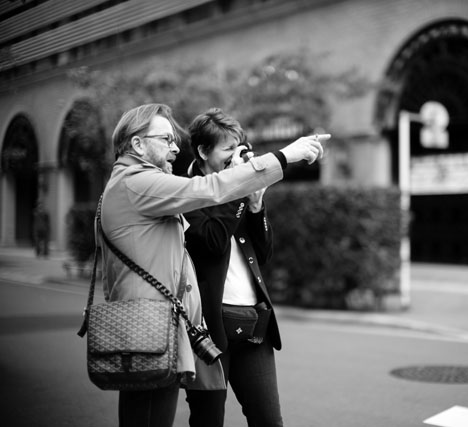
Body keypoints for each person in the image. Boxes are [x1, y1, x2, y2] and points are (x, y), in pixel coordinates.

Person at [98, 103, 324, 427]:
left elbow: (261, 250)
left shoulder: (141, 184)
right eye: (166, 138)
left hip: (174, 324)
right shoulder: (142, 184)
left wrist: (254, 203)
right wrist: (285, 155)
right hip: (163, 325)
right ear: (137, 144)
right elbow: (212, 206)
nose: (176, 147)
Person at [183, 108, 292, 427]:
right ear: (203, 151)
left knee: (269, 421)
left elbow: (264, 253)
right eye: (227, 149)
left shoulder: (241, 193)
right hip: (209, 331)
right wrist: (239, 190)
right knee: (208, 421)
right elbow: (214, 241)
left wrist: (256, 206)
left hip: (254, 325)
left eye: (238, 147)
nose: (236, 156)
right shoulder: (184, 193)